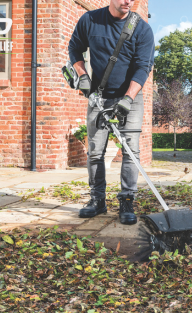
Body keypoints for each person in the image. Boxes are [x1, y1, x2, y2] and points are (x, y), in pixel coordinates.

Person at [68, 0, 154, 224]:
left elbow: (143, 66)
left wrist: (128, 98)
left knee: (130, 150)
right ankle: (97, 201)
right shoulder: (90, 20)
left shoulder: (141, 28)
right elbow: (74, 48)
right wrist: (83, 75)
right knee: (95, 151)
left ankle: (127, 200)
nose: (128, 1)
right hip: (99, 95)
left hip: (130, 97)